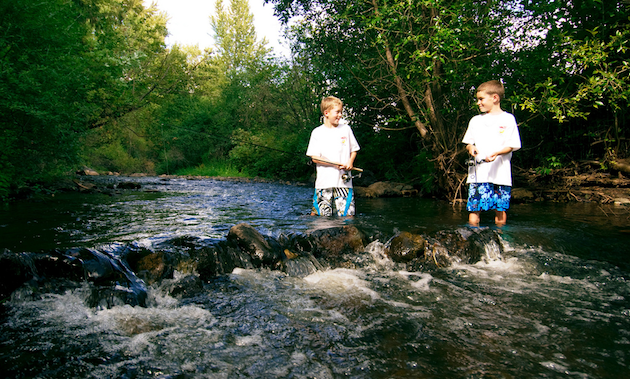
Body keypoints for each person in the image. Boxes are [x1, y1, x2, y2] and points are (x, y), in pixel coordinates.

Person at [462, 80, 521, 227]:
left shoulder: (508, 119)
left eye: (481, 99)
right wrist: (471, 148)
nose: (478, 103)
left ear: (495, 98)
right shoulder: (475, 120)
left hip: (500, 175)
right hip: (478, 174)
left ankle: (500, 242)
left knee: (500, 211)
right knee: (474, 211)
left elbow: (512, 144)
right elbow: (469, 143)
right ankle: (473, 240)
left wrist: (497, 153)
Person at [306, 96, 360, 217]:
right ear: (326, 113)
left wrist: (350, 162)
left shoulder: (346, 129)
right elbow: (315, 158)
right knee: (320, 218)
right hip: (323, 183)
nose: (340, 115)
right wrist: (334, 163)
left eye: (341, 112)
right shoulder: (317, 132)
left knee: (347, 216)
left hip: (344, 183)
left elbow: (354, 150)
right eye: (337, 112)